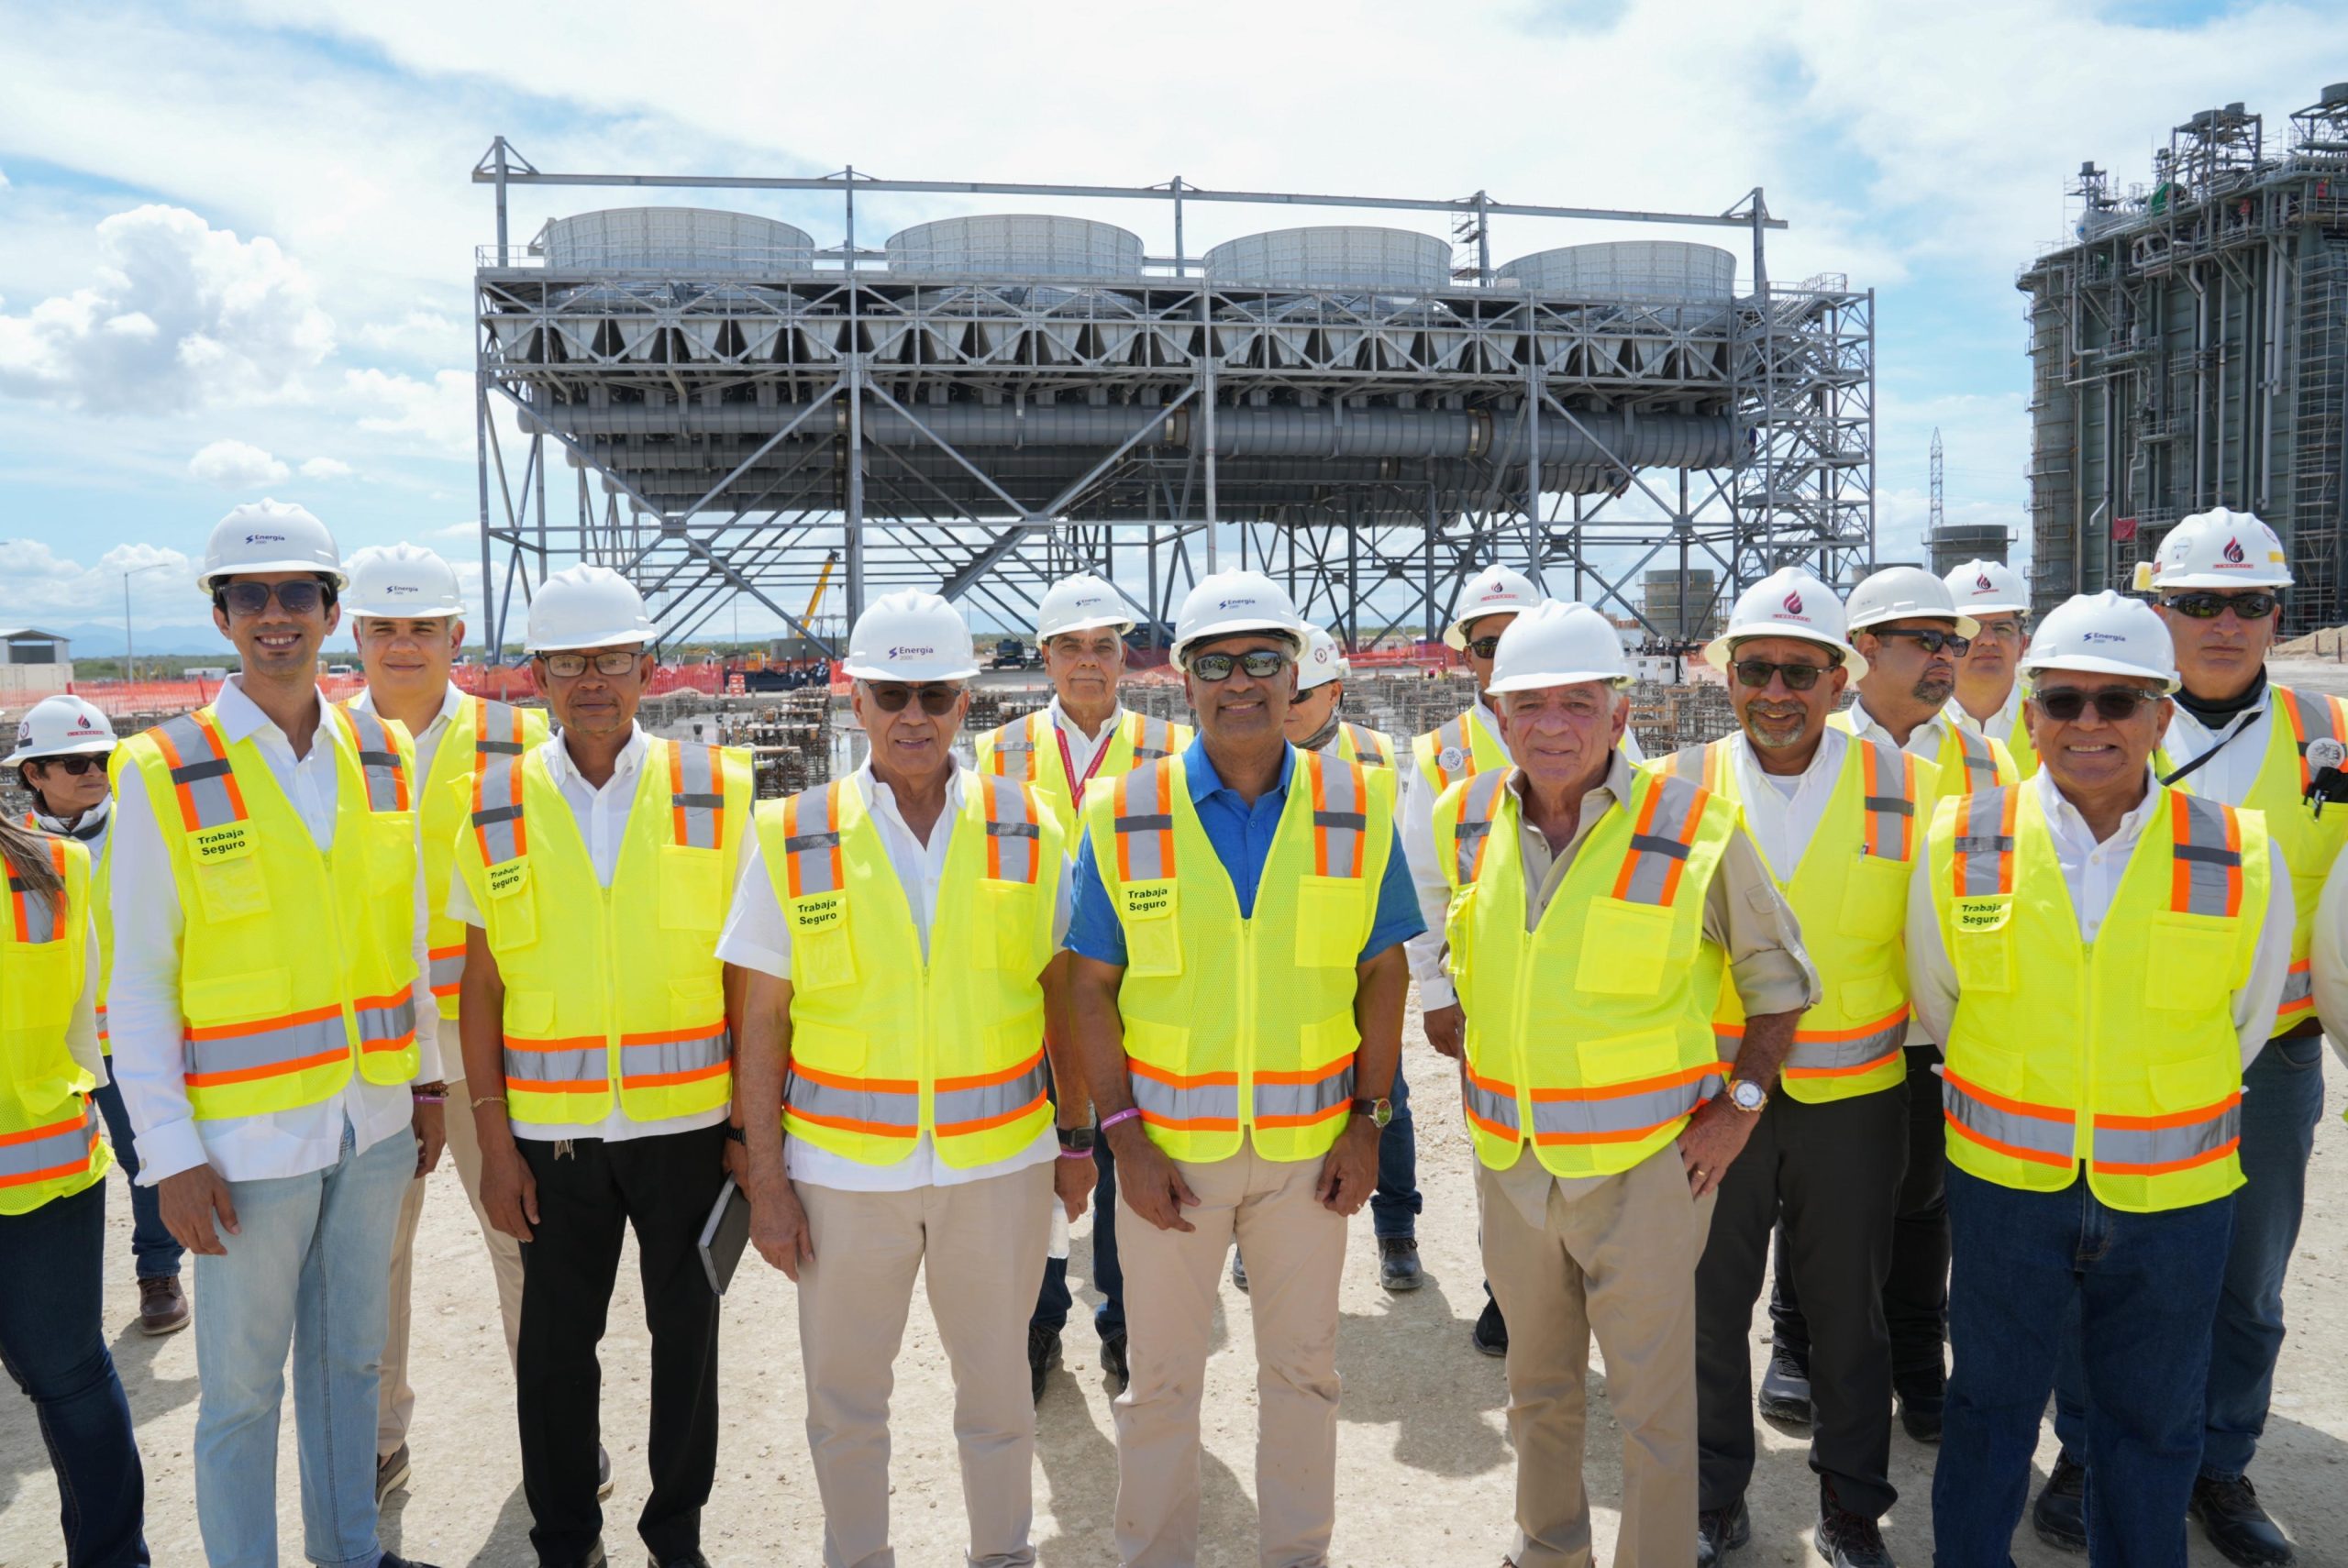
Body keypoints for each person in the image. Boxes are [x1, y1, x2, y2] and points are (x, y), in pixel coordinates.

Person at [1424, 599, 1815, 1568]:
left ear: (1616, 710)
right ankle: (1548, 1548)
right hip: (1511, 1167)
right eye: (1527, 704)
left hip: (1645, 1173)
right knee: (1536, 1386)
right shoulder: (1461, 816)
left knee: (1651, 1405)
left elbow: (1781, 986)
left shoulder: (1693, 826)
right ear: (1496, 712)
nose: (1550, 724)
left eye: (1575, 702)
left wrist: (1738, 1111)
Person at [1913, 590, 2291, 1568]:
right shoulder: (1959, 838)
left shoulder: (2238, 848)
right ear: (2031, 713)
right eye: (2065, 700)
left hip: (2173, 1201)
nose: (2089, 725)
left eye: (2117, 703)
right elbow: (1939, 999)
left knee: (2155, 1425)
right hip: (2006, 1191)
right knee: (1987, 1410)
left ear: (2160, 716)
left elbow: (2246, 1022)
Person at [109, 500, 443, 1568]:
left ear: (333, 610)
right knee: (242, 1396)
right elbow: (141, 985)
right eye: (247, 597)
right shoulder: (164, 769)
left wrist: (426, 1087)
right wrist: (169, 1156)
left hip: (373, 1124)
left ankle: (350, 1551)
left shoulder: (383, 754)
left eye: (297, 593)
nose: (274, 615)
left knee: (349, 1365)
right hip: (243, 1147)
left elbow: (409, 936)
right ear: (219, 617)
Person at [728, 589, 1090, 1568]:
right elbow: (759, 1022)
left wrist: (1077, 1138)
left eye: (935, 693)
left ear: (966, 701)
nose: (913, 716)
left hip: (998, 1168)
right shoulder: (790, 833)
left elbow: (1064, 994)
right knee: (845, 1407)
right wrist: (765, 1181)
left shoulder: (1030, 828)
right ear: (857, 700)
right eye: (892, 694)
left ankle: (1002, 1556)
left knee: (999, 1396)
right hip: (844, 1179)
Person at [1065, 569, 1420, 1568]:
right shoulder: (1124, 811)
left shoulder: (1358, 802)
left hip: (1312, 1154)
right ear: (1182, 680)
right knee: (1161, 1380)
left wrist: (1369, 1120)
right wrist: (1121, 1137)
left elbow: (1381, 967)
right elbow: (1090, 986)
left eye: (1263, 660)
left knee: (1303, 1376)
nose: (1240, 682)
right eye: (1215, 663)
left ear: (1293, 671)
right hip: (1167, 1157)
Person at [2033, 510, 2342, 1565]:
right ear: (2152, 606)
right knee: (2099, 1262)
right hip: (2110, 1053)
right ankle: (2086, 1451)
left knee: (2244, 1282)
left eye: (2248, 603)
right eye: (2195, 601)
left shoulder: (2326, 735)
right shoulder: (2084, 716)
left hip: (2271, 1059)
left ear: (2275, 615)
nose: (2222, 622)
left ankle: (2218, 1458)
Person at [452, 565, 752, 1568]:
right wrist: (494, 1141)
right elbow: (481, 985)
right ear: (536, 676)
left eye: (612, 659)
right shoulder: (490, 803)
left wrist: (752, 1131)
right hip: (553, 1139)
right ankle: (565, 1539)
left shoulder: (722, 786)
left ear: (647, 668)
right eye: (570, 661)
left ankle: (676, 1535)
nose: (593, 679)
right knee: (552, 1354)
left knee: (690, 1345)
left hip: (688, 1130)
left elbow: (754, 977)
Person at [1665, 569, 1925, 1568]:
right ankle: (1713, 1494)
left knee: (1846, 1318)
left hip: (1853, 1104)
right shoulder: (1675, 785)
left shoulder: (1906, 785)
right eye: (1755, 669)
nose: (1776, 692)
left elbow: (1934, 949)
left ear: (1838, 678)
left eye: (1799, 672)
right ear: (1728, 676)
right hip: (1714, 1100)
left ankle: (1852, 1506)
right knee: (1706, 1309)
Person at [1767, 565, 2016, 1441]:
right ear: (1863, 652)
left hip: (1930, 1029)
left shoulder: (1986, 761)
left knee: (1921, 1200)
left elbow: (1992, 899)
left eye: (1954, 641)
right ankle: (1793, 1344)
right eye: (1928, 641)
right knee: (1812, 1197)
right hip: (1827, 1026)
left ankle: (1918, 1354)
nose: (1953, 656)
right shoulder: (1806, 738)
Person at [340, 544, 563, 1505]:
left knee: (519, 1232)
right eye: (384, 629)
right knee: (371, 1250)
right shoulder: (316, 742)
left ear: (455, 636)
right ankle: (377, 1436)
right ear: (356, 635)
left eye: (420, 628)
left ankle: (552, 1429)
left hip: (490, 1038)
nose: (402, 646)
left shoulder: (520, 740)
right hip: (369, 1046)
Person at [970, 570, 1188, 1399]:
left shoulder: (1169, 748)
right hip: (1034, 986)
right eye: (1071, 648)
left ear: (1124, 656)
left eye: (1104, 647)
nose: (1089, 663)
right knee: (1041, 1169)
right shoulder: (1000, 751)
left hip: (1135, 984)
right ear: (1046, 656)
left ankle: (1124, 1326)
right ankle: (1038, 1323)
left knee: (1128, 1151)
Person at [8, 693, 189, 1334]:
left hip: (133, 1033)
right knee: (55, 1174)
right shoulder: (17, 851)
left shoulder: (149, 827)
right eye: (73, 761)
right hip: (50, 1044)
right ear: (32, 773)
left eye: (101, 758)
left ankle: (158, 1270)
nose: (93, 771)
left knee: (149, 1156)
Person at [1399, 562, 1543, 1356]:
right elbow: (1420, 885)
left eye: (1519, 637)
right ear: (1467, 657)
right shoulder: (1442, 756)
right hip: (1484, 991)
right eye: (1488, 645)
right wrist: (1434, 992)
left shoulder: (1586, 720)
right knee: (1498, 1141)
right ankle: (1506, 1290)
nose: (1502, 657)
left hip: (1579, 984)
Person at [0, 812, 150, 1566]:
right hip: (47, 1163)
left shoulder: (57, 866)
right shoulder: (55, 864)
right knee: (73, 1379)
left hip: (43, 1168)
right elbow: (85, 1032)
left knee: (72, 1381)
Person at [1943, 559, 2037, 779]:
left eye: (2002, 628)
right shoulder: (1916, 724)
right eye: (1972, 629)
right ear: (1945, 646)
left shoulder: (2054, 720)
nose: (1987, 640)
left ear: (2023, 645)